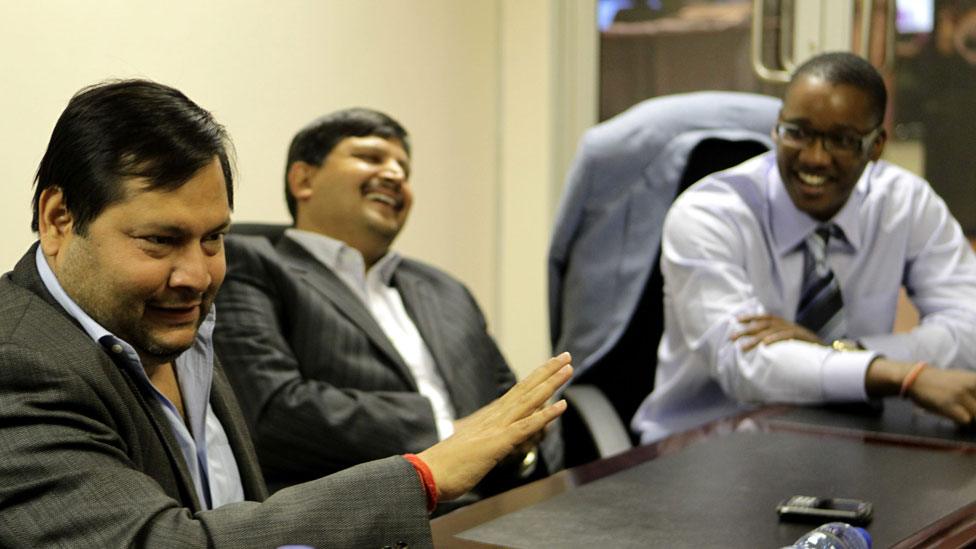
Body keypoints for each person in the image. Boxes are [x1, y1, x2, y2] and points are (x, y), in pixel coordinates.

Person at [0, 79, 572, 548]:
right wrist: (423, 473)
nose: (197, 276)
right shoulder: (17, 361)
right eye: (160, 240)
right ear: (58, 220)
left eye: (213, 238)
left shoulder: (178, 327)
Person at [632, 52, 976, 444]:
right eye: (798, 132)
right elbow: (744, 365)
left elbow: (969, 333)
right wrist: (900, 374)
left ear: (876, 146)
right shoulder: (708, 214)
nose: (814, 157)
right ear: (777, 128)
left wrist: (842, 351)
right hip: (704, 447)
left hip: (849, 440)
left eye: (842, 141)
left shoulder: (904, 204)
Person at [212, 108, 558, 495]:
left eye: (404, 169)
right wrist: (448, 432)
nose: (395, 175)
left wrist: (522, 432)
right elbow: (273, 412)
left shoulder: (444, 288)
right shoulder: (248, 263)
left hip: (501, 501)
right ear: (304, 180)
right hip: (369, 515)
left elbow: (506, 401)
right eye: (371, 158)